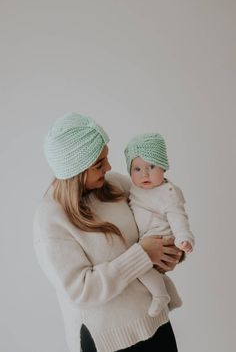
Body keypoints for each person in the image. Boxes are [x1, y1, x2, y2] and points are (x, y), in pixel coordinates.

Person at [33, 113, 183, 352]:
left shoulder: (116, 185)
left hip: (156, 324)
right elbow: (82, 289)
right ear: (76, 171)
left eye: (106, 158)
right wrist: (143, 255)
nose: (109, 167)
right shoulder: (50, 220)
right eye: (98, 164)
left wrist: (170, 251)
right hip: (109, 342)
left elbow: (158, 214)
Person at [124, 133, 195, 317]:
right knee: (155, 272)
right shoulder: (133, 188)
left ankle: (160, 295)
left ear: (164, 167)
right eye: (137, 169)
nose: (144, 174)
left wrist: (183, 237)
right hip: (146, 238)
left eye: (151, 166)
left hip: (161, 237)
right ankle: (173, 297)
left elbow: (178, 216)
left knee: (139, 267)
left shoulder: (167, 193)